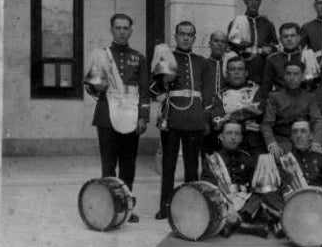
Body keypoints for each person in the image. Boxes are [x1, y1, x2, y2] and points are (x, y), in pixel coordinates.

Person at [85, 13, 149, 223]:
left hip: (131, 114)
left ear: (131, 31)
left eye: (125, 28)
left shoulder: (138, 57)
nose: (122, 32)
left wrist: (143, 116)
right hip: (106, 114)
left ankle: (126, 206)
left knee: (128, 165)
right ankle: (109, 206)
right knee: (108, 164)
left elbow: (144, 90)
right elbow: (91, 86)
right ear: (112, 30)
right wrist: (97, 86)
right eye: (118, 28)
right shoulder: (102, 54)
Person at [150, 21, 214, 220]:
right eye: (182, 34)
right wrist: (163, 82)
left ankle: (191, 206)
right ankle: (166, 206)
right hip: (172, 116)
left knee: (192, 166)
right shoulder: (166, 57)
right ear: (175, 36)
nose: (186, 38)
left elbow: (208, 95)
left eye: (190, 34)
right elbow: (152, 89)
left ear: (194, 38)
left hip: (195, 116)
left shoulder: (202, 62)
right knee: (168, 166)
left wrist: (204, 119)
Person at [201, 120, 276, 238]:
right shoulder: (211, 160)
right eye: (229, 133)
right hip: (222, 202)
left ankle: (233, 223)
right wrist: (227, 205)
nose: (233, 137)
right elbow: (210, 189)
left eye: (237, 134)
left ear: (241, 138)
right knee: (210, 202)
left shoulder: (247, 158)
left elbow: (253, 186)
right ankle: (247, 227)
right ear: (221, 136)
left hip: (245, 205)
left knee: (261, 195)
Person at [261, 61, 322, 157]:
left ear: (302, 76)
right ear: (284, 76)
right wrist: (272, 144)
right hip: (282, 142)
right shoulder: (274, 97)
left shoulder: (309, 97)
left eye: (296, 74)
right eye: (288, 74)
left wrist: (316, 143)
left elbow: (317, 120)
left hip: (304, 141)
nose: (292, 78)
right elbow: (266, 124)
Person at [209, 56, 267, 157]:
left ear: (246, 73)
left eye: (240, 69)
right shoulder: (219, 95)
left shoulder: (257, 90)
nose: (237, 72)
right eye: (232, 69)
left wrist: (230, 116)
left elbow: (258, 110)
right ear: (227, 74)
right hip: (231, 139)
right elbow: (217, 123)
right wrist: (245, 117)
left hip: (253, 141)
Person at [227, 0, 278, 84]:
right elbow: (229, 48)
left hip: (262, 67)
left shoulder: (267, 24)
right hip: (242, 67)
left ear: (260, 1)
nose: (253, 2)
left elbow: (276, 45)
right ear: (245, 1)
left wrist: (270, 48)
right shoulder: (237, 22)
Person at [261, 22, 309, 93]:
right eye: (285, 36)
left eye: (292, 36)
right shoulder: (272, 59)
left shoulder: (306, 57)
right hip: (279, 100)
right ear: (280, 39)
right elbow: (266, 86)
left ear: (299, 38)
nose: (289, 39)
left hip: (302, 99)